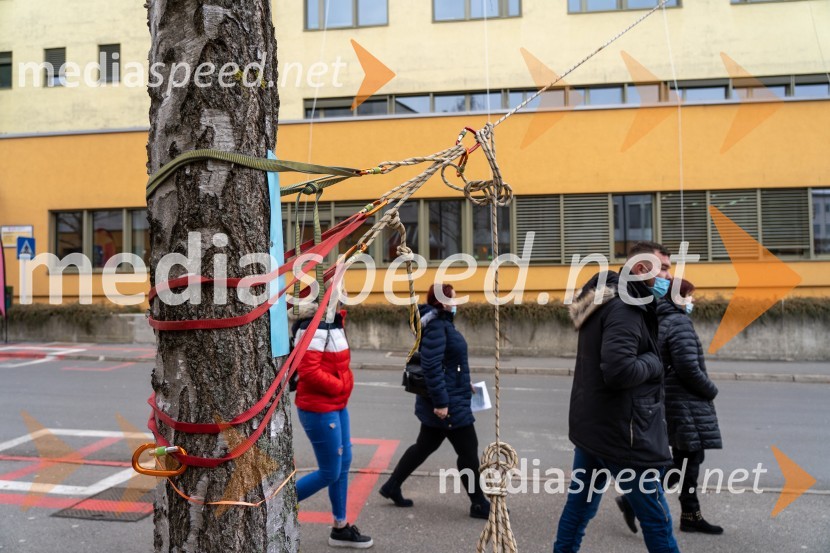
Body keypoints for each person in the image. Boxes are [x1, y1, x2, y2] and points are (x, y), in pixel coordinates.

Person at [553, 241, 680, 553]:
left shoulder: (609, 298)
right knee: (657, 519)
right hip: (625, 437)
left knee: (579, 509)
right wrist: (655, 362)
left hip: (596, 429)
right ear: (641, 268)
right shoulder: (626, 308)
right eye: (663, 269)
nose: (668, 276)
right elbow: (619, 371)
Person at [378, 283, 491, 519]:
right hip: (448, 404)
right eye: (453, 299)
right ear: (443, 303)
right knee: (468, 451)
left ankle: (392, 486)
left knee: (424, 446)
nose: (456, 302)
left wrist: (465, 382)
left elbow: (449, 363)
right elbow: (431, 366)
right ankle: (479, 503)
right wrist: (441, 403)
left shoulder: (443, 323)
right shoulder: (437, 326)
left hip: (450, 396)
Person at [291, 296, 373, 549]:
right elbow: (309, 371)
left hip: (336, 405)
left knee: (343, 464)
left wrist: (343, 385)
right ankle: (278, 503)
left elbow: (339, 365)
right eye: (340, 294)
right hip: (319, 408)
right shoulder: (314, 326)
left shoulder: (334, 322)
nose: (344, 300)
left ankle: (340, 527)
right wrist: (341, 386)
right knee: (330, 472)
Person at [659, 279, 723, 533]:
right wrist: (710, 389)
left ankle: (690, 514)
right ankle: (635, 501)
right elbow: (687, 367)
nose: (692, 300)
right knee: (689, 459)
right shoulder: (679, 322)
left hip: (676, 400)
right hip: (687, 402)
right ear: (677, 298)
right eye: (688, 296)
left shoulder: (664, 320)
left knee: (686, 458)